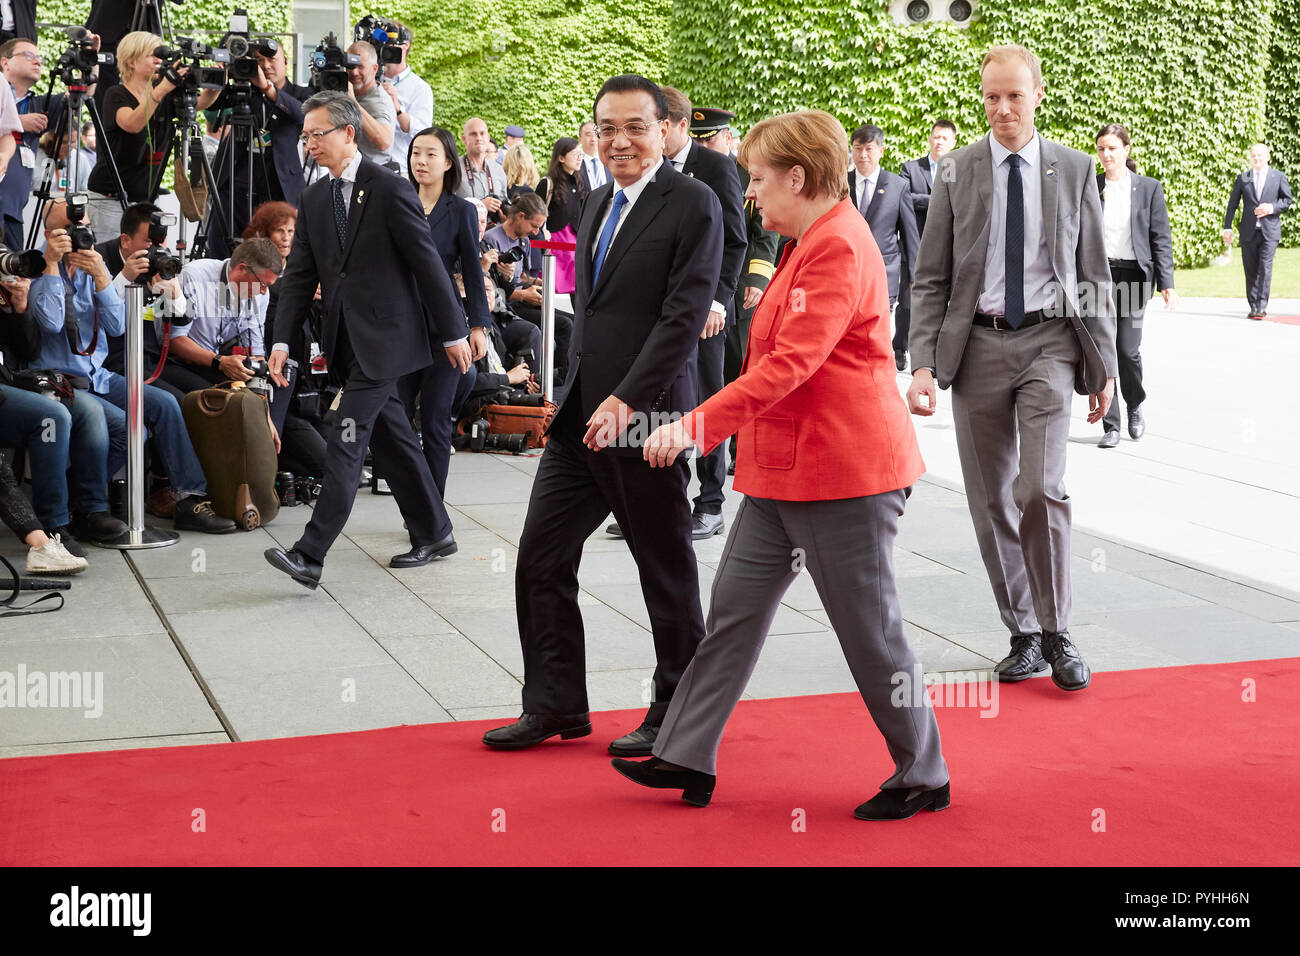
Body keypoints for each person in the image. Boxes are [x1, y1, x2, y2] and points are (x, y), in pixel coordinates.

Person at [612, 108, 948, 818]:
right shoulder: (811, 237)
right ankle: (685, 754)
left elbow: (792, 364)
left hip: (844, 475)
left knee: (872, 632)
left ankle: (924, 772)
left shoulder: (839, 246)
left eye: (760, 180)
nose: (751, 193)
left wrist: (696, 425)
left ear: (799, 177)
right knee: (732, 616)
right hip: (785, 471)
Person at [482, 73, 723, 756]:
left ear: (665, 128)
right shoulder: (592, 203)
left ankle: (679, 712)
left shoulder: (693, 203)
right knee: (540, 557)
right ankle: (555, 703)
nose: (620, 140)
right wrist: (582, 393)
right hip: (584, 415)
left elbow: (681, 318)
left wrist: (628, 399)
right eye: (607, 128)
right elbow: (592, 314)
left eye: (635, 127)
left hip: (646, 418)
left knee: (663, 564)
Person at [907, 44, 1117, 693]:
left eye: (1014, 96)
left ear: (1038, 95)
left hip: (1051, 343)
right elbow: (931, 277)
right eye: (991, 96)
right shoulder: (956, 172)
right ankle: (1022, 631)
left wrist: (1102, 366)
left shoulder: (1076, 170)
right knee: (990, 497)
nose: (1002, 108)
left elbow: (1093, 276)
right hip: (977, 347)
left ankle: (1058, 630)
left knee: (1041, 489)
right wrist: (920, 364)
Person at [263, 92, 472, 588]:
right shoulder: (314, 197)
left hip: (390, 340)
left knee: (346, 436)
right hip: (346, 343)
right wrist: (281, 342)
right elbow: (298, 276)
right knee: (393, 437)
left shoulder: (388, 187)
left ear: (348, 133)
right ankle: (435, 530)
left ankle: (310, 554)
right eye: (305, 135)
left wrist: (455, 331)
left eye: (318, 134)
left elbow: (428, 265)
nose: (309, 143)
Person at [29, 200, 235, 536]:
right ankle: (82, 502)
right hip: (60, 380)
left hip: (98, 375)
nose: (81, 236)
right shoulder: (37, 264)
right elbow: (52, 323)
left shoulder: (91, 265)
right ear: (50, 234)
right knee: (127, 428)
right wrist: (52, 264)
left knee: (165, 404)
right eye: (70, 231)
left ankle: (189, 498)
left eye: (85, 228)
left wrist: (101, 278)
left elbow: (116, 325)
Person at [609, 85, 742, 542]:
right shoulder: (642, 174)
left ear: (674, 126)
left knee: (704, 400)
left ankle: (710, 501)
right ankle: (650, 497)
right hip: (655, 315)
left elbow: (735, 240)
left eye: (646, 125)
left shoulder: (716, 168)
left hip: (704, 313)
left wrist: (717, 302)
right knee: (654, 399)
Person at [0, 273, 121, 557]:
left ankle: (91, 510)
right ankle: (55, 523)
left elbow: (27, 349)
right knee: (52, 417)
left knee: (89, 411)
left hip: (14, 381)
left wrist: (20, 307)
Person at [688, 108, 779, 475]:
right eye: (699, 139)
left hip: (738, 284)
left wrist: (757, 280)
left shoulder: (747, 174)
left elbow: (764, 232)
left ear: (728, 138)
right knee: (710, 375)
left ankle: (745, 447)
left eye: (710, 139)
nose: (704, 146)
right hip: (699, 285)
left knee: (742, 367)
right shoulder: (691, 172)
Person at [403, 125, 493, 494]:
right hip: (400, 328)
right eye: (415, 153)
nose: (420, 162)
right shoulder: (398, 202)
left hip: (446, 331)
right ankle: (413, 496)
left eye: (430, 154)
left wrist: (478, 326)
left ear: (447, 163)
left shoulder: (460, 211)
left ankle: (432, 513)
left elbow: (472, 272)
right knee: (394, 419)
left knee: (436, 421)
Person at [85, 31, 213, 241]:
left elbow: (200, 104)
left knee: (145, 262)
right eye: (153, 55)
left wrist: (215, 84)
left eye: (162, 57)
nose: (159, 61)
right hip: (110, 199)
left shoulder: (166, 94)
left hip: (146, 199)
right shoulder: (116, 94)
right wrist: (161, 89)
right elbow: (133, 123)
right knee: (110, 262)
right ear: (132, 61)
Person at [1095, 123, 1176, 448]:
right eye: (1101, 148)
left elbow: (1161, 238)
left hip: (1134, 278)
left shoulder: (1148, 188)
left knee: (1127, 351)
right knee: (1103, 351)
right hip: (1099, 278)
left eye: (1112, 148)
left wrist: (1167, 283)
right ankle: (1111, 424)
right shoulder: (1092, 185)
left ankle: (1135, 405)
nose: (1106, 155)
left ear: (1126, 149)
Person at [3, 35, 98, 248]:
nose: (37, 61)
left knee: (14, 278)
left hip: (12, 214)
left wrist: (89, 59)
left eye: (40, 58)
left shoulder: (38, 103)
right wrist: (17, 122)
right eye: (29, 55)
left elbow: (82, 95)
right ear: (5, 62)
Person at [848, 124, 920, 355]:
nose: (863, 155)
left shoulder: (898, 186)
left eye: (869, 149)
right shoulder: (839, 183)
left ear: (881, 150)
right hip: (846, 269)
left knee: (875, 330)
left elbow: (909, 234)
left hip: (884, 271)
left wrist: (914, 275)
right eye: (857, 149)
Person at [897, 119, 957, 370]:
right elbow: (904, 198)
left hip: (948, 245)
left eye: (944, 138)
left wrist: (925, 200)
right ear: (929, 139)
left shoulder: (956, 168)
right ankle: (900, 346)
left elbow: (959, 202)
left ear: (953, 142)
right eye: (936, 136)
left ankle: (935, 355)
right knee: (908, 301)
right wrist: (937, 200)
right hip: (915, 243)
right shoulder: (911, 168)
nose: (939, 141)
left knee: (945, 302)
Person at [1223, 143, 1292, 320]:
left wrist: (1271, 207)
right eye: (1254, 156)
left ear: (1268, 156)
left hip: (1270, 231)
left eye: (1260, 155)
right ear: (1250, 157)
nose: (1257, 159)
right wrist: (1227, 227)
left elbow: (1287, 200)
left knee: (1265, 268)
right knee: (1250, 269)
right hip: (1248, 231)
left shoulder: (1278, 176)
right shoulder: (1243, 178)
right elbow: (1232, 205)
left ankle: (1261, 306)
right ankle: (1253, 305)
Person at [378, 21, 434, 177]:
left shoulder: (420, 88)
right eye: (384, 44)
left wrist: (397, 107)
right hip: (369, 168)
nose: (387, 48)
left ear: (405, 46)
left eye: (392, 44)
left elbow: (422, 133)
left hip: (402, 170)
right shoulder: (369, 80)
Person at [536, 136, 586, 294]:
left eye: (581, 154)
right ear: (561, 157)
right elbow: (535, 213)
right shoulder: (547, 183)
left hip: (575, 243)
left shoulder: (580, 182)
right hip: (555, 245)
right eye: (575, 154)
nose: (579, 158)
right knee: (553, 292)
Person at [344, 42, 397, 168]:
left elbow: (384, 141)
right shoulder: (347, 92)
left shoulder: (380, 101)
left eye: (361, 67)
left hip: (374, 179)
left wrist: (353, 103)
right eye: (350, 66)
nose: (354, 72)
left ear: (374, 69)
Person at [455, 118, 508, 220]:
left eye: (482, 133)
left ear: (488, 138)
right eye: (473, 134)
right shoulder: (454, 168)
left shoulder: (498, 170)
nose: (478, 138)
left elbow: (504, 200)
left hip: (494, 232)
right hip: (465, 232)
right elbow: (446, 205)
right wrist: (479, 205)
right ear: (464, 139)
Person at [576, 120, 609, 191]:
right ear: (580, 139)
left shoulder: (610, 161)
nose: (593, 139)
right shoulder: (575, 164)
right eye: (588, 135)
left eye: (596, 134)